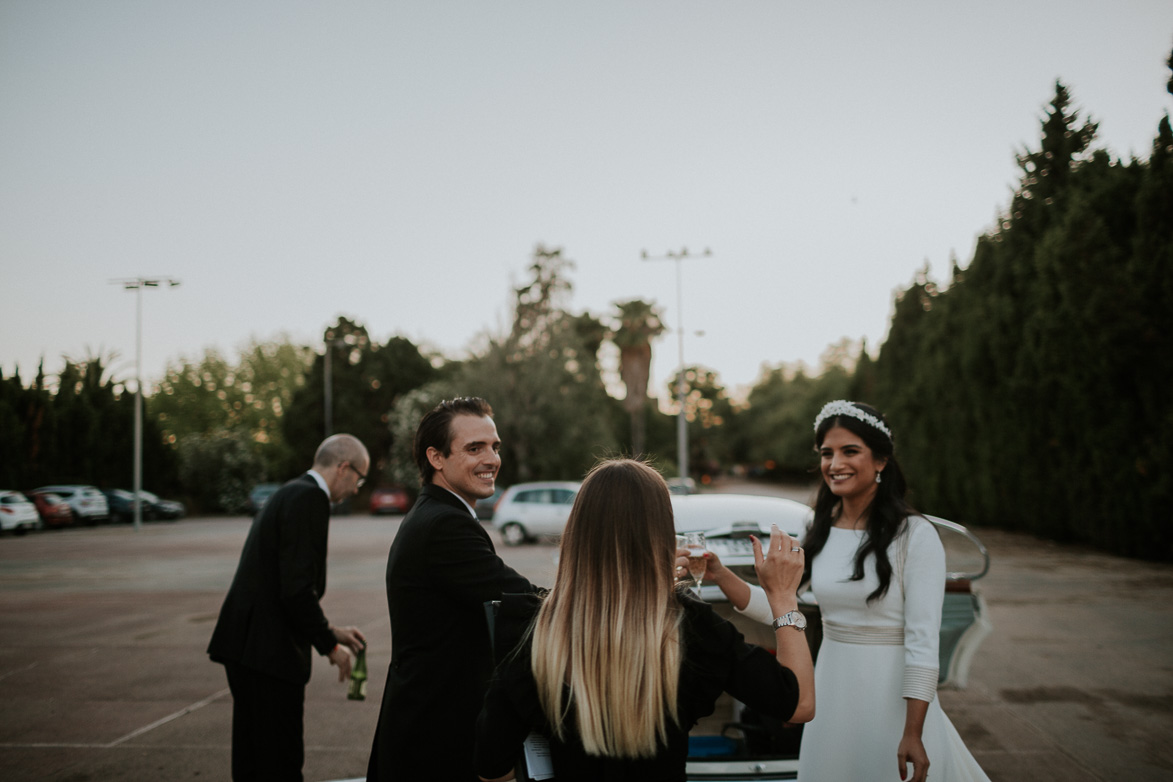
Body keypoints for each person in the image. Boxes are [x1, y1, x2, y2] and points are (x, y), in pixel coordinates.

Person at [473, 458, 815, 782]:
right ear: (662, 534)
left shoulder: (536, 630)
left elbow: (493, 767)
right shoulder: (691, 626)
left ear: (577, 533)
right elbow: (798, 705)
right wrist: (783, 597)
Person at [701, 400, 988, 782]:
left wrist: (913, 732)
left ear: (881, 460)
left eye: (850, 451)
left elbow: (923, 642)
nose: (835, 464)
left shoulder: (915, 536)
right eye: (827, 453)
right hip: (832, 689)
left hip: (892, 698)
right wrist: (719, 574)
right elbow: (785, 612)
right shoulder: (821, 529)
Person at [366, 397, 540, 781]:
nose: (491, 458)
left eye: (494, 446)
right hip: (433, 738)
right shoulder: (445, 525)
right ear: (436, 457)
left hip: (427, 724)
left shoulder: (441, 514)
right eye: (474, 448)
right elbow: (523, 600)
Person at [207, 433, 369, 782]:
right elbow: (295, 589)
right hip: (267, 652)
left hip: (249, 646)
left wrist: (330, 630)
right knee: (279, 761)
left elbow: (279, 583)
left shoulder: (290, 492)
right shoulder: (310, 498)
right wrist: (329, 647)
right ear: (343, 468)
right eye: (360, 477)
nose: (357, 488)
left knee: (253, 759)